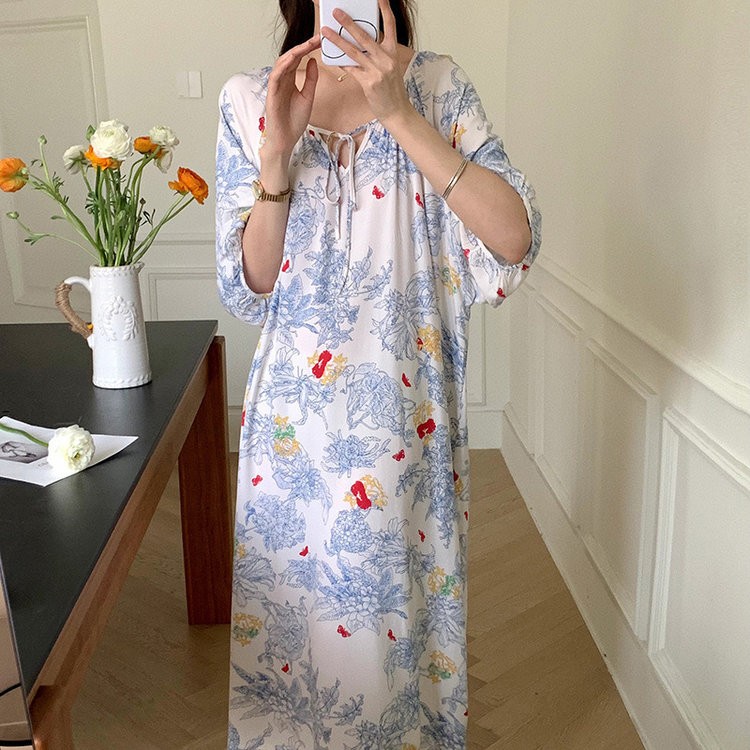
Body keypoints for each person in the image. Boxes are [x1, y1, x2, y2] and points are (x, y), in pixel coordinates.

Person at [215, 0, 541, 746]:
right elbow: (249, 287)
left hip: (406, 424)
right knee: (292, 645)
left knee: (398, 644)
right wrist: (276, 156)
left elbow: (513, 239)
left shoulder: (438, 85)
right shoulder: (250, 97)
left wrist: (399, 115)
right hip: (292, 440)